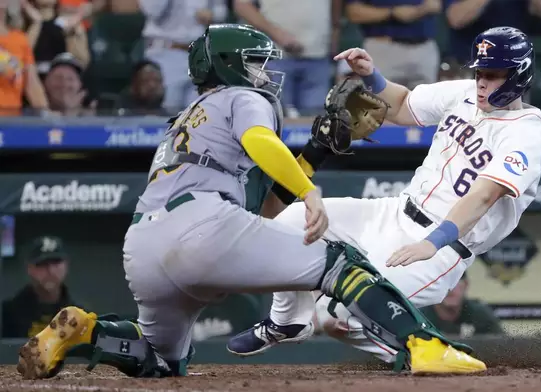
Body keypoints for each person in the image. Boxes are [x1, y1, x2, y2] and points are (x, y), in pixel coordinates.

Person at [16, 23, 485, 380]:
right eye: (256, 62)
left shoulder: (187, 119)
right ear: (229, 65)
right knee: (340, 262)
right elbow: (261, 140)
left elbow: (261, 210)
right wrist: (309, 192)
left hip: (145, 245)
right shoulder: (240, 95)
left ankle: (88, 332)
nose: (265, 72)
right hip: (201, 227)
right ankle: (424, 344)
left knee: (162, 360)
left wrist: (318, 150)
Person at [228, 26, 541, 369]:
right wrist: (372, 75)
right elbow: (403, 106)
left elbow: (483, 196)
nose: (482, 82)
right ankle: (288, 320)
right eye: (480, 72)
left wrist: (433, 242)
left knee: (337, 316)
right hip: (393, 211)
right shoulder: (465, 93)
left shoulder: (525, 134)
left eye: (494, 75)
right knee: (289, 224)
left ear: (518, 75)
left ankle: (418, 353)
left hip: (442, 247)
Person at [2, 236, 83, 338]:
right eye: (42, 264)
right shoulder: (8, 314)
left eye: (56, 262)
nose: (51, 271)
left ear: (66, 266)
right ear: (29, 269)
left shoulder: (80, 315)